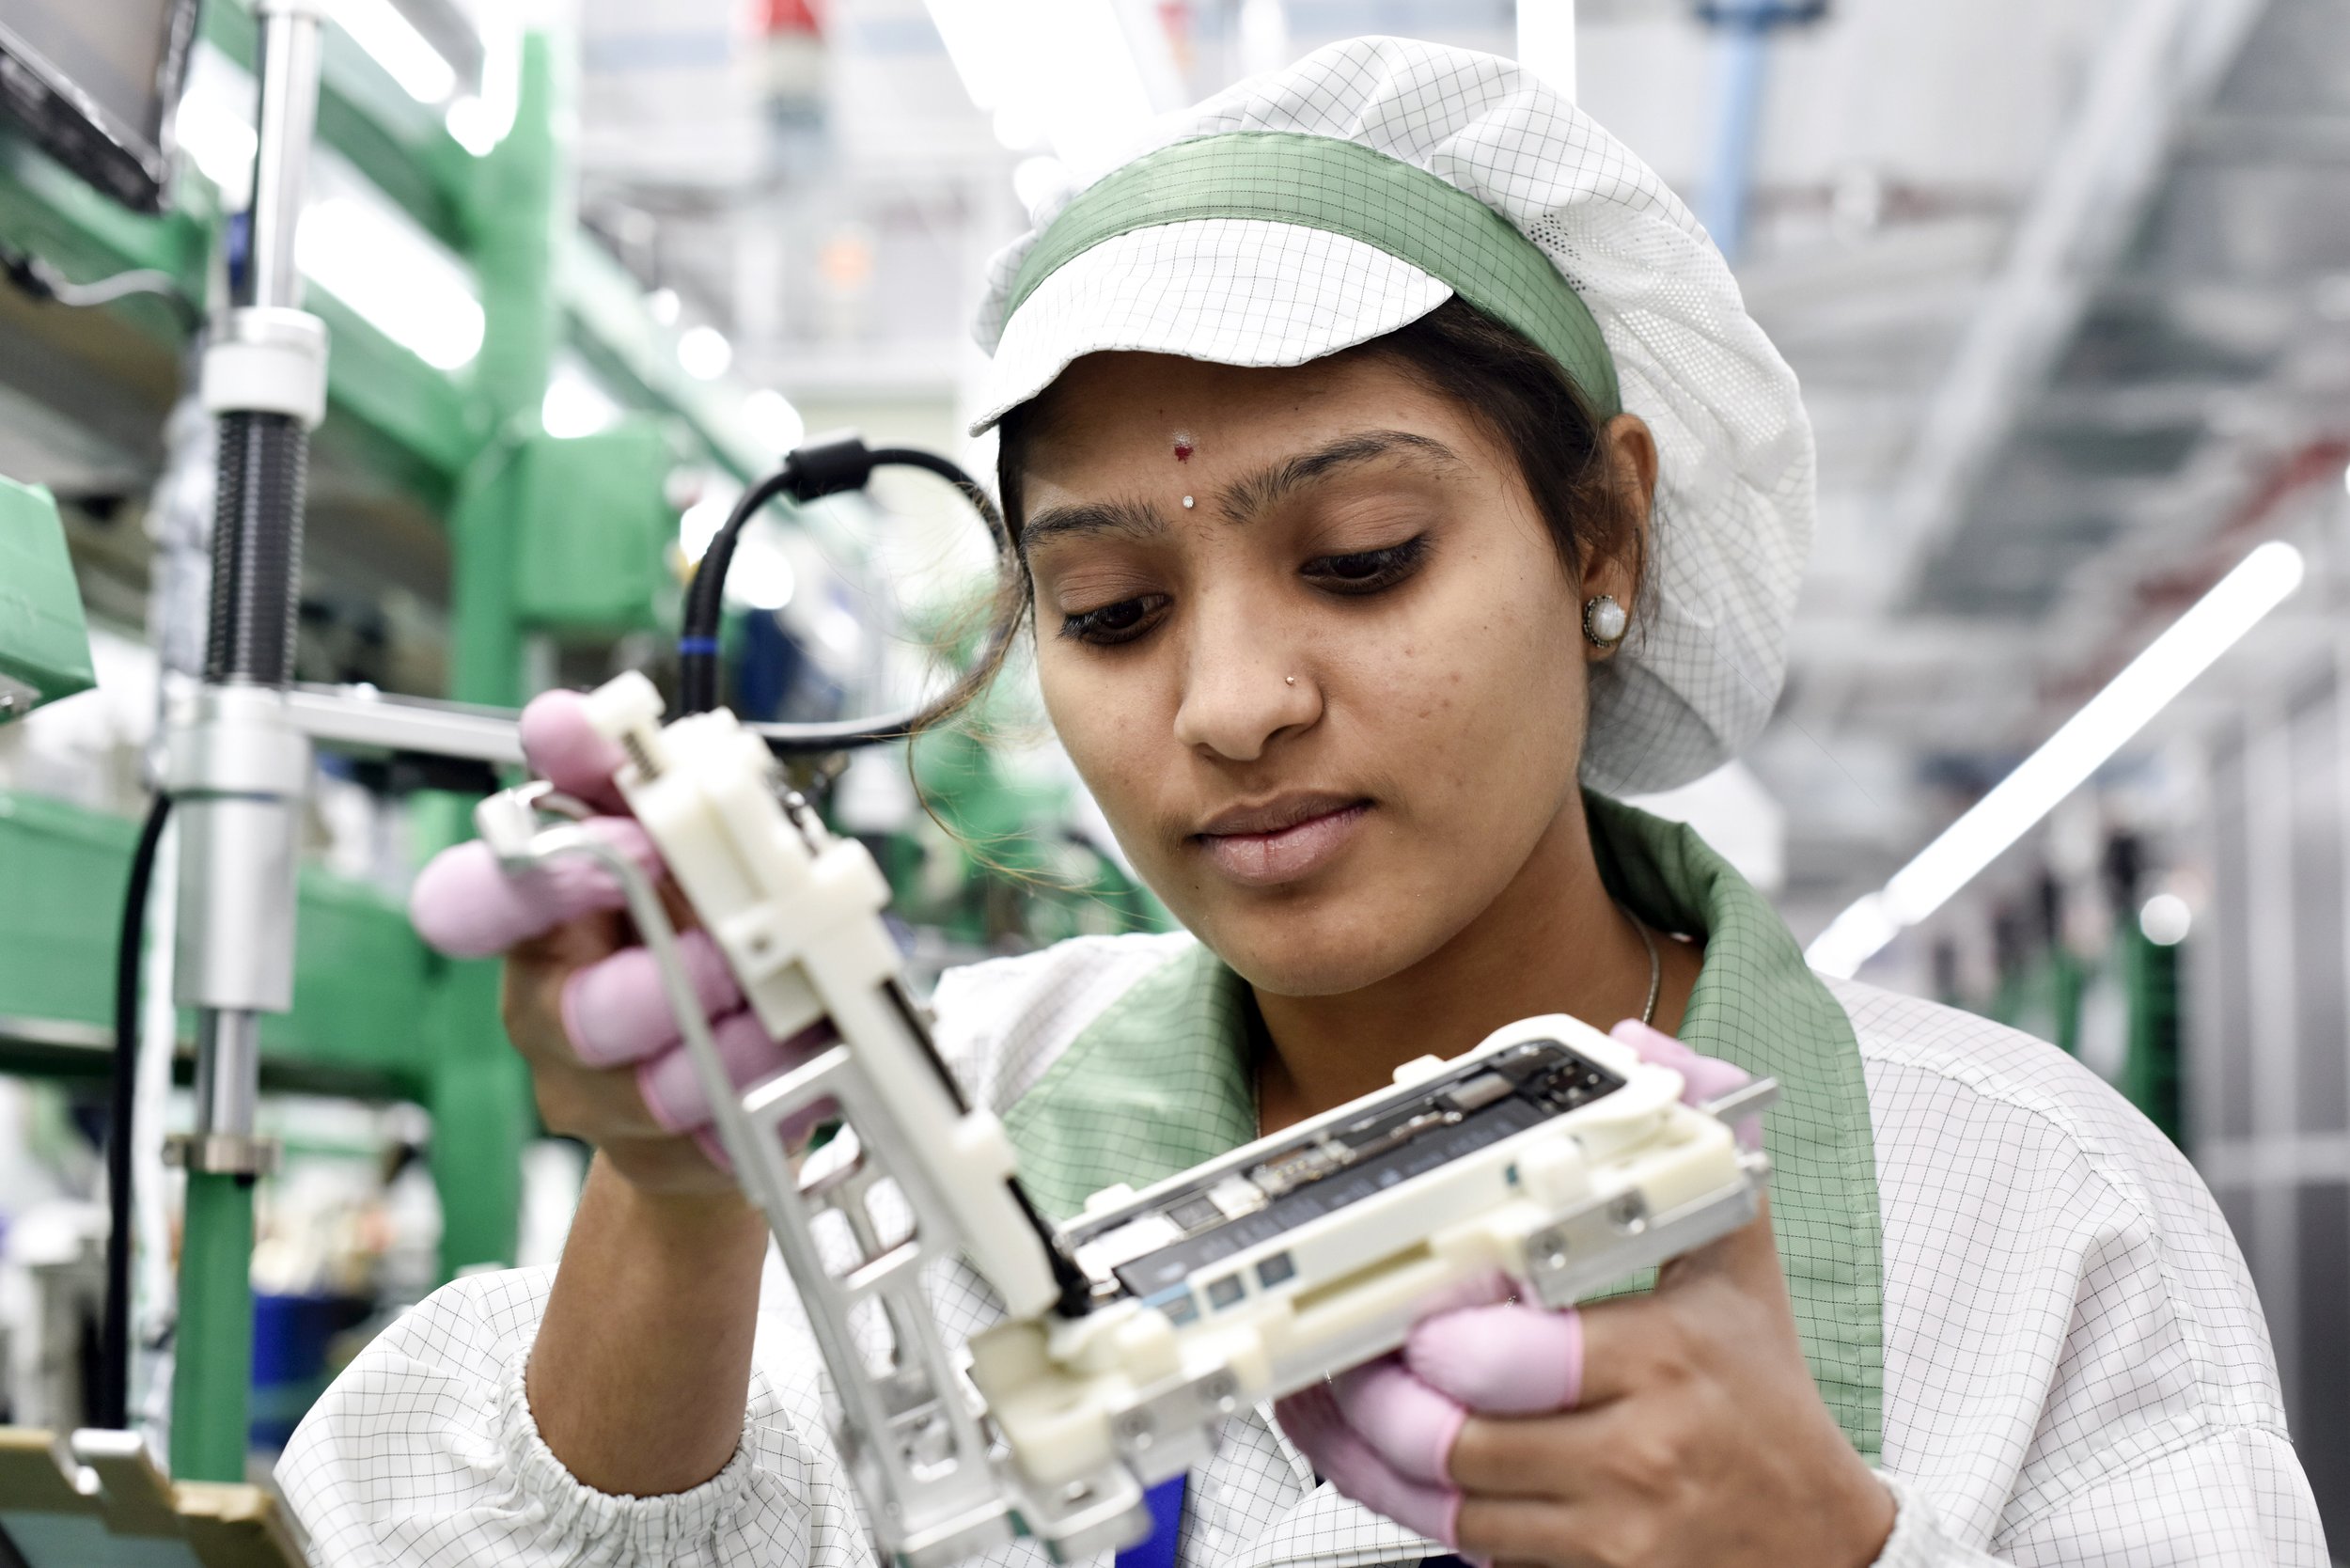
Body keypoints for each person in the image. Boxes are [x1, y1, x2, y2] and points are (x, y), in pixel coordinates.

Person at [278, 36, 2323, 1568]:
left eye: (1358, 560)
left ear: (1599, 527)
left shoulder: (2030, 1208)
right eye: (1106, 607)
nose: (1232, 706)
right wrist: (683, 1195)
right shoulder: (933, 1142)